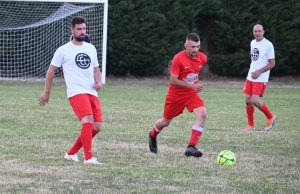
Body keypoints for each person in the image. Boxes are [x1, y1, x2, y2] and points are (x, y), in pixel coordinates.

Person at [39, 16, 103, 165]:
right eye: (79, 29)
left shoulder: (90, 48)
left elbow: (96, 69)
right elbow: (51, 71)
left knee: (97, 126)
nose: (82, 32)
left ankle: (71, 153)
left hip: (91, 92)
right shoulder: (63, 50)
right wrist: (47, 92)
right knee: (87, 120)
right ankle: (89, 158)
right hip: (76, 92)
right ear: (72, 30)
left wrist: (99, 81)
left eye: (84, 29)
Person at [148, 33, 208, 158]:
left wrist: (192, 87)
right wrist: (192, 85)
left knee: (202, 114)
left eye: (198, 47)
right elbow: (173, 81)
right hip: (175, 94)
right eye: (192, 47)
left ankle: (191, 147)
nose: (195, 50)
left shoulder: (202, 58)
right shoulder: (178, 59)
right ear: (185, 45)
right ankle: (152, 135)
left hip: (190, 94)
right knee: (165, 122)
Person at [243, 24, 276, 131]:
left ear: (263, 32)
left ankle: (270, 117)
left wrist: (260, 71)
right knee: (248, 100)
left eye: (259, 31)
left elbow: (272, 63)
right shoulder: (252, 43)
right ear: (253, 32)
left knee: (254, 100)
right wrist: (253, 72)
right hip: (251, 75)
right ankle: (251, 125)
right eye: (255, 31)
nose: (257, 33)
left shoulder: (268, 45)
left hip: (261, 77)